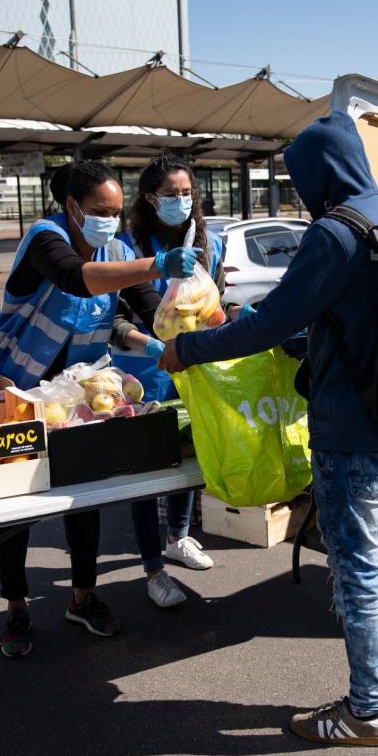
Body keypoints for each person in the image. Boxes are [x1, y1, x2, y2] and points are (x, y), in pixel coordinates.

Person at [158, 112, 378, 746]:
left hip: (348, 430)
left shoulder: (333, 234)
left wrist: (191, 348)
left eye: (300, 175)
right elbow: (340, 316)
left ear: (317, 171)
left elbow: (266, 325)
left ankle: (366, 711)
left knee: (358, 568)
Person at [0, 160, 198, 659]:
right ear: (72, 207)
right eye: (100, 211)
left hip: (78, 400)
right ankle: (16, 607)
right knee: (12, 511)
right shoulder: (44, 239)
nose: (110, 221)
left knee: (83, 498)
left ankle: (82, 597)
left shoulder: (117, 249)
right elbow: (77, 280)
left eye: (116, 212)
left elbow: (138, 308)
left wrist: (178, 330)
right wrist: (159, 264)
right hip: (12, 393)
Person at [111, 155, 233, 582]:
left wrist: (232, 322)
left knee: (188, 457)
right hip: (142, 373)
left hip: (193, 368)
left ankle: (178, 538)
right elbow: (120, 314)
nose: (180, 201)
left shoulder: (210, 243)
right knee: (144, 472)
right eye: (170, 194)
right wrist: (153, 345)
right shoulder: (124, 248)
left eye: (186, 193)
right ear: (149, 197)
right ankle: (152, 569)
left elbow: (212, 303)